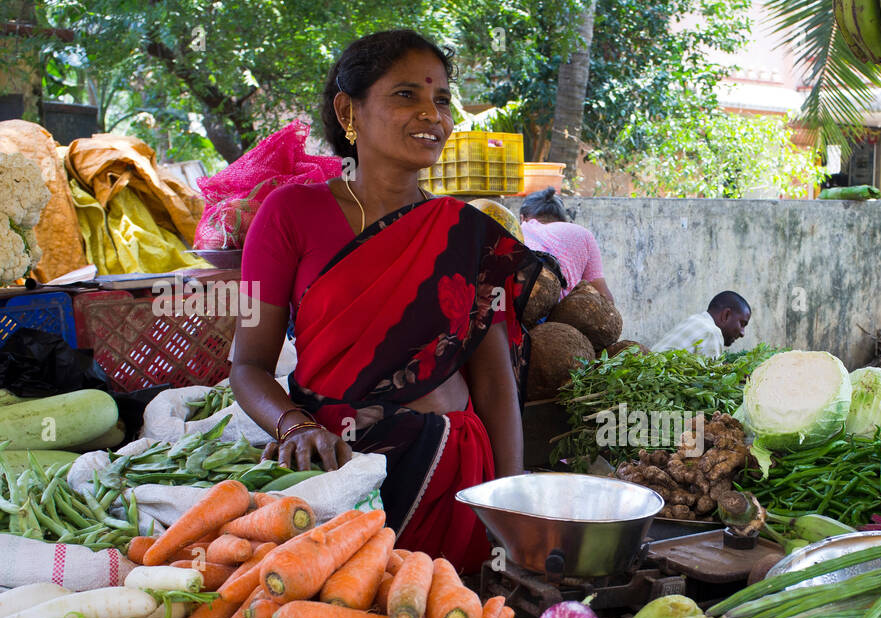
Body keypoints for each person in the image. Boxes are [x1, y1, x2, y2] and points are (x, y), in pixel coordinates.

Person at [232, 30, 541, 572]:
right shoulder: (288, 215)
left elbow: (494, 381)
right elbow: (248, 365)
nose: (433, 115)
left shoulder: (467, 235)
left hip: (452, 475)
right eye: (406, 95)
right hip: (340, 474)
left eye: (442, 100)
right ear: (348, 109)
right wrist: (295, 427)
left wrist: (509, 502)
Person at [518, 187, 614, 303]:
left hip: (515, 312)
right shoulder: (581, 234)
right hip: (561, 316)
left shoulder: (517, 232)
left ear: (522, 218)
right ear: (562, 217)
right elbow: (602, 294)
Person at [651, 291, 751, 358]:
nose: (742, 333)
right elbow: (714, 383)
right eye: (742, 324)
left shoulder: (696, 320)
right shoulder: (712, 332)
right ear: (726, 315)